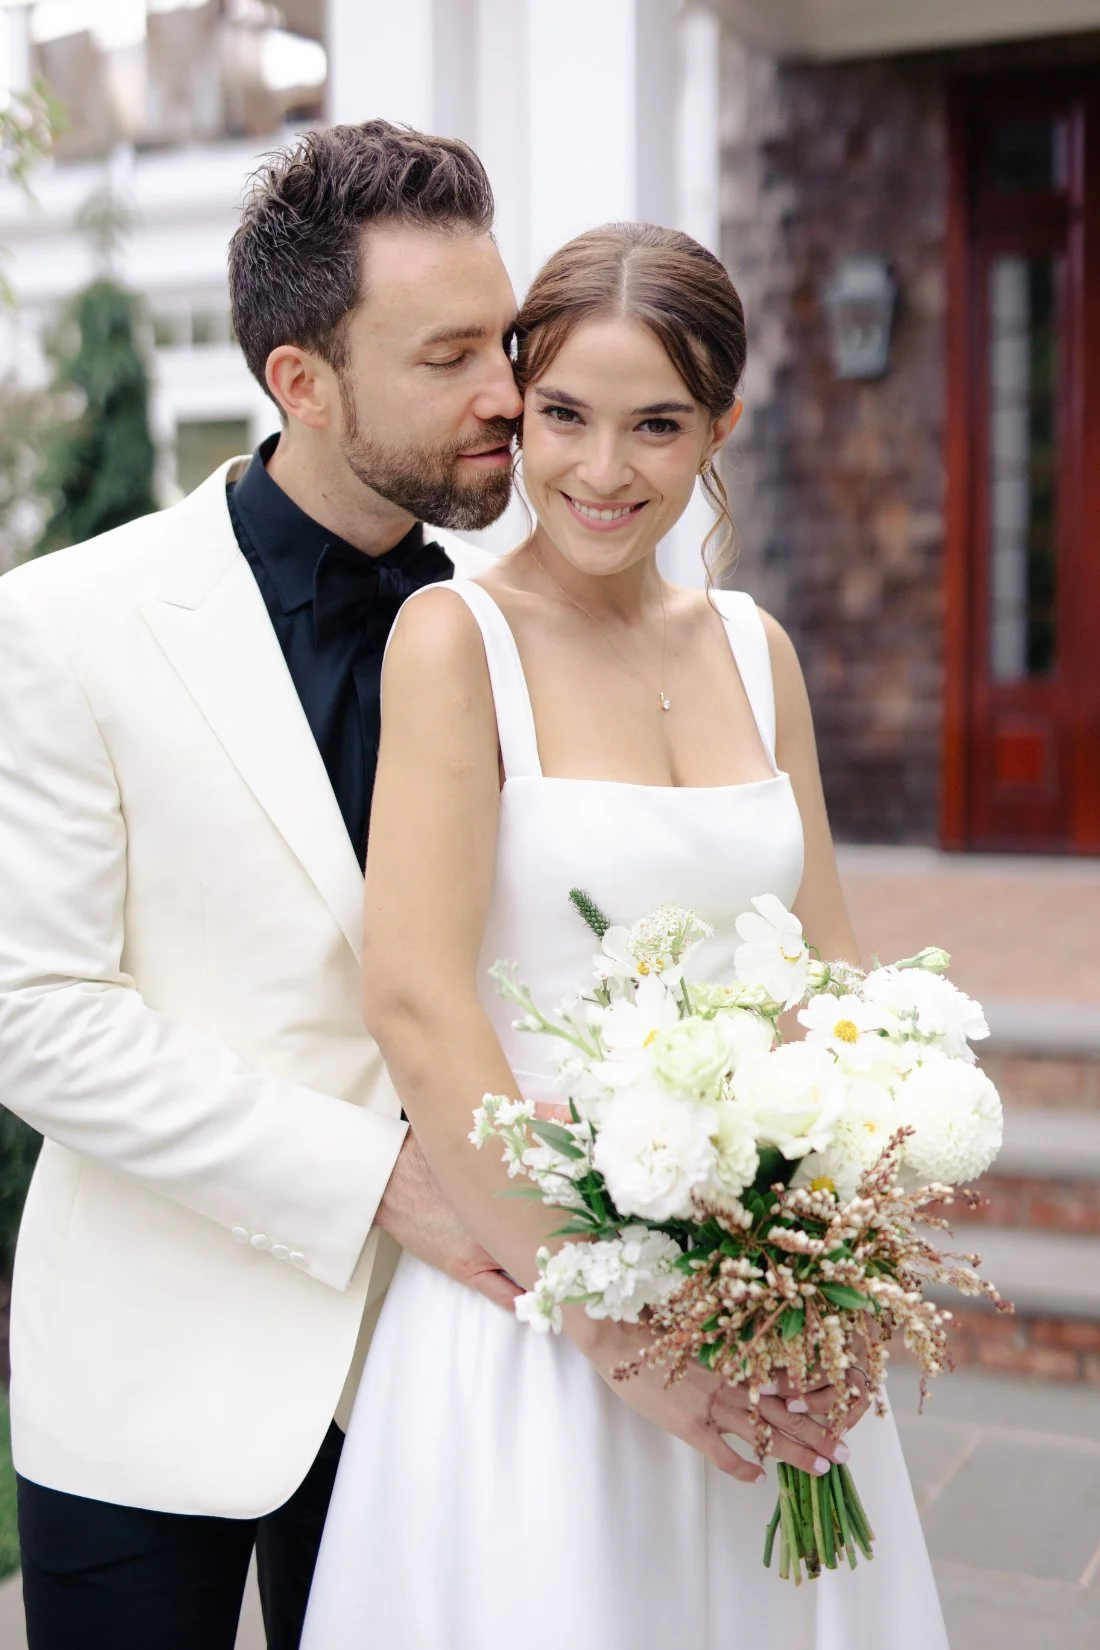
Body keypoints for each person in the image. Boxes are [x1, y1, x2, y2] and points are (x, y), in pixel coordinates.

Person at [302, 222, 950, 1648]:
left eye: (657, 424)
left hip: (761, 1308)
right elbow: (416, 999)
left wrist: (835, 1264)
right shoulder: (453, 640)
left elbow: (828, 968)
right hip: (542, 1321)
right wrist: (617, 1329)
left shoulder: (754, 646)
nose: (602, 472)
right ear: (519, 410)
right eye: (565, 418)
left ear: (721, 424)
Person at [0, 122, 526, 1650]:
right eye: (448, 358)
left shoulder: (527, 631)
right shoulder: (66, 623)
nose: (503, 391)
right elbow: (38, 1020)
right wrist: (381, 1183)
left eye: (503, 339)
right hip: (150, 1376)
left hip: (446, 1377)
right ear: (301, 380)